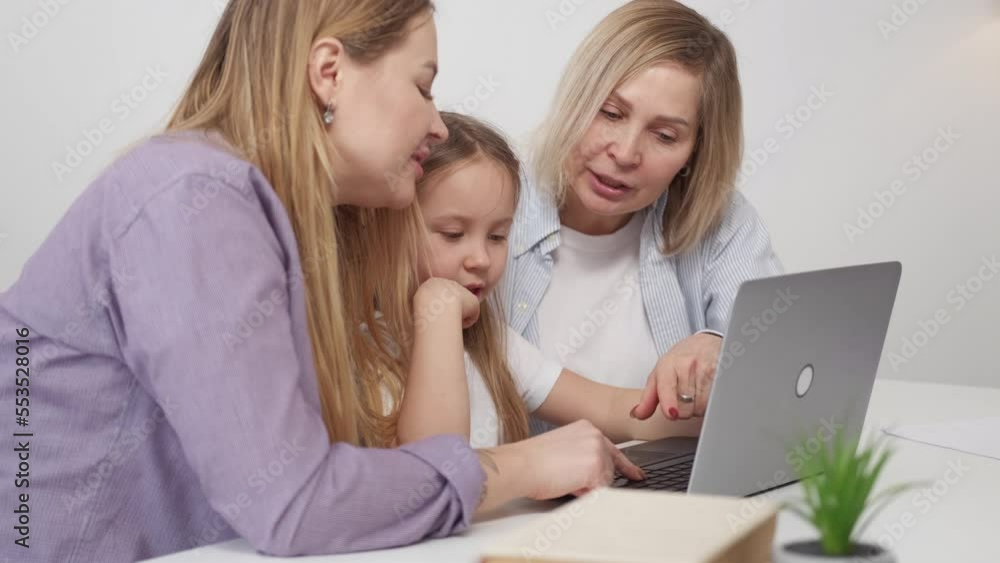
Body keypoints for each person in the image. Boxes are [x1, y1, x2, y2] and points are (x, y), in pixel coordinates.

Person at [0, 3, 639, 561]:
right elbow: (295, 502)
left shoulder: (251, 213)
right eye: (423, 87)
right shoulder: (195, 196)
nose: (438, 126)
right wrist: (518, 465)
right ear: (329, 72)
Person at [504, 0, 783, 434]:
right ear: (576, 99)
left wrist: (720, 346)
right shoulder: (492, 201)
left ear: (695, 151)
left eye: (665, 135)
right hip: (526, 498)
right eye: (610, 113)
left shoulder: (721, 221)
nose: (625, 152)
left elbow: (780, 376)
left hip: (662, 488)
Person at [394, 112, 701, 449]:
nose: (481, 259)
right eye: (453, 234)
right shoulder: (362, 344)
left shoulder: (491, 344)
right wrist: (438, 311)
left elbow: (612, 409)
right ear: (385, 229)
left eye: (497, 236)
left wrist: (713, 412)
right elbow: (436, 467)